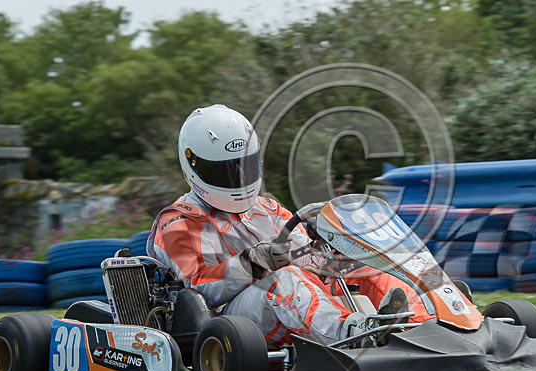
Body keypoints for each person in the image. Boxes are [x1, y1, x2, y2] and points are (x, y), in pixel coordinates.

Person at [147, 104, 431, 349]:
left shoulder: (266, 209)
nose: (236, 179)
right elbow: (201, 285)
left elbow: (307, 258)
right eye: (224, 171)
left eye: (242, 166)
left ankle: (427, 326)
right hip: (225, 323)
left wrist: (331, 250)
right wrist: (252, 262)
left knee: (368, 267)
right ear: (193, 166)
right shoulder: (178, 222)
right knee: (284, 280)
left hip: (285, 304)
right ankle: (355, 337)